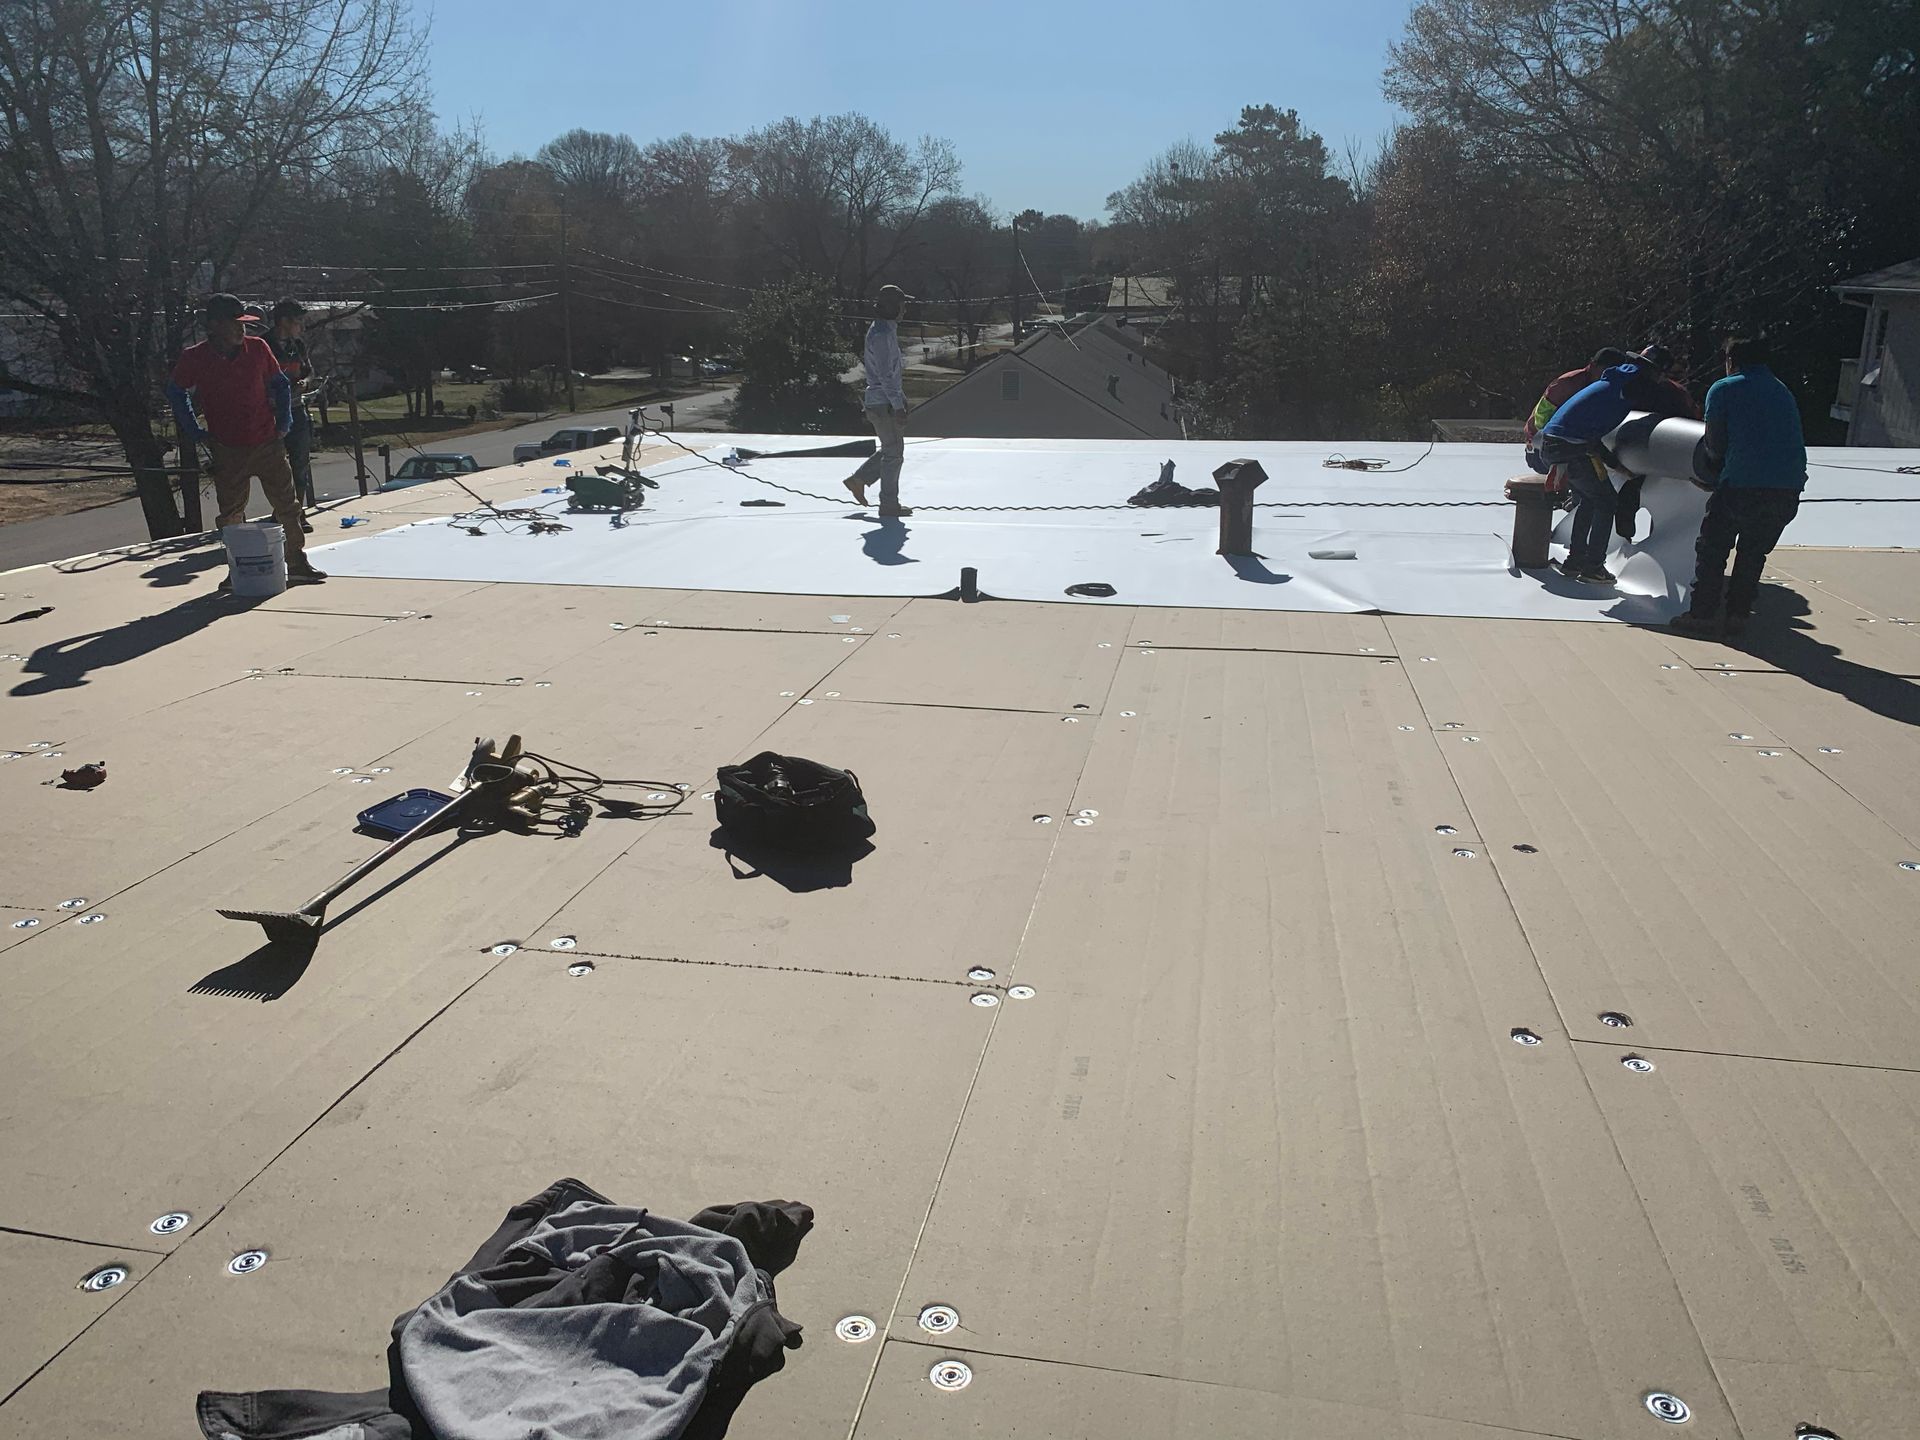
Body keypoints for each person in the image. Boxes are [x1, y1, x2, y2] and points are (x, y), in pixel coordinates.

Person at [167, 293, 326, 584]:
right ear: (214, 326)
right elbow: (176, 391)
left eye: (243, 323)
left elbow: (278, 383)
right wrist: (192, 428)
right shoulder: (195, 357)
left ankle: (298, 561)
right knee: (231, 513)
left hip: (267, 440)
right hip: (227, 446)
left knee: (288, 505)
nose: (241, 330)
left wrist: (284, 421)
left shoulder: (258, 348)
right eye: (234, 323)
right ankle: (238, 567)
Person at [1670, 336, 1806, 638]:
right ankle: (1737, 616)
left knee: (1712, 549)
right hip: (1788, 487)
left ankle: (1703, 614)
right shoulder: (1782, 391)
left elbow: (1715, 445)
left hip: (1743, 485)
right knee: (1752, 553)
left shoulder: (1724, 388)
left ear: (1731, 360)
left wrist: (1710, 475)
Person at [1536, 361, 1644, 584]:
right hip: (1572, 449)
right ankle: (1593, 567)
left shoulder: (1605, 387)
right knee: (1606, 501)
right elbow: (1593, 439)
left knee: (1589, 499)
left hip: (1553, 445)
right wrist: (1617, 465)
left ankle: (1575, 562)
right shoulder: (1616, 400)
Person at [1612, 342, 1699, 540]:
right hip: (1626, 456)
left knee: (1665, 504)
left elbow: (1690, 426)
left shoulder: (1676, 395)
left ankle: (1656, 548)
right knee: (1624, 497)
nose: (1640, 371)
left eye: (1648, 368)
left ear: (1661, 373)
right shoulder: (1625, 386)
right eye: (1640, 365)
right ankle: (1621, 544)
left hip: (1665, 461)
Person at [843, 284, 912, 518]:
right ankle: (888, 504)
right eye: (902, 306)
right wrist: (898, 405)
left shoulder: (885, 330)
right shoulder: (881, 335)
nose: (905, 311)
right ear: (891, 307)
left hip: (884, 401)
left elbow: (890, 374)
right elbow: (885, 375)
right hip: (883, 403)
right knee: (894, 454)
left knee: (891, 449)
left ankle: (859, 480)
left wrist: (900, 398)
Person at [1524, 346, 1635, 473]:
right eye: (1606, 370)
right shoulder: (1568, 383)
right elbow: (1541, 417)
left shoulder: (1605, 388)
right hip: (1539, 448)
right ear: (1593, 365)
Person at [266, 299, 317, 530]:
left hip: (296, 409)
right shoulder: (263, 345)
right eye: (297, 321)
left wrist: (305, 382)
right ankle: (281, 512)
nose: (301, 327)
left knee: (300, 462)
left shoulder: (297, 345)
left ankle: (297, 512)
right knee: (275, 466)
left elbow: (309, 371)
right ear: (284, 321)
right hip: (271, 413)